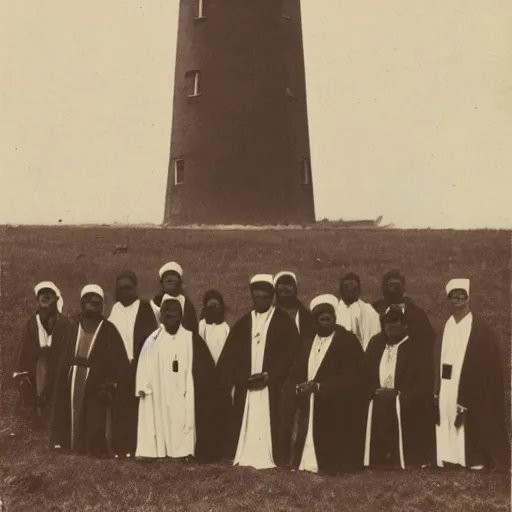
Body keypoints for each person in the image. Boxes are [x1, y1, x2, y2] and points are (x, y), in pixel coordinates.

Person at [217, 274, 301, 469]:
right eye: (257, 297)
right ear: (252, 297)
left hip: (273, 386)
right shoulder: (242, 324)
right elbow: (231, 357)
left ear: (272, 297)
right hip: (247, 385)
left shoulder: (284, 323)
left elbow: (292, 355)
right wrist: (242, 378)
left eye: (265, 297)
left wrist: (270, 375)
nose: (261, 301)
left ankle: (274, 456)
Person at [281, 294, 365, 475]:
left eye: (329, 318)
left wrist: (320, 387)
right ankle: (300, 460)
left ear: (335, 319)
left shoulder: (347, 341)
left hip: (336, 404)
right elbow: (295, 373)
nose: (326, 322)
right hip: (307, 404)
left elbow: (353, 376)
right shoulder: (307, 344)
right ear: (314, 322)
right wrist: (297, 386)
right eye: (321, 319)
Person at [435, 279, 510, 472]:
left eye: (462, 295)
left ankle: (474, 457)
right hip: (447, 381)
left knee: (469, 418)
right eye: (453, 296)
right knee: (447, 414)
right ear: (448, 300)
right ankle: (448, 456)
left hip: (470, 383)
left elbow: (488, 364)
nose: (458, 299)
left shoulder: (480, 329)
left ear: (468, 298)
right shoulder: (446, 326)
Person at [135, 295, 219, 462]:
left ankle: (184, 451)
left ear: (181, 315)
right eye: (165, 311)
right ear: (160, 315)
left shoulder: (191, 338)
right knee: (157, 417)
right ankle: (158, 450)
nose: (169, 315)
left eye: (173, 311)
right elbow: (143, 365)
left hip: (183, 392)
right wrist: (143, 386)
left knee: (183, 418)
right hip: (159, 391)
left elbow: (205, 370)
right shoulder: (152, 340)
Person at [50, 285, 129, 457]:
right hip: (72, 377)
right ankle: (67, 443)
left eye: (96, 299)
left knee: (93, 414)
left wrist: (110, 382)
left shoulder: (109, 329)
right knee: (69, 409)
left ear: (101, 304)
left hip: (96, 380)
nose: (91, 302)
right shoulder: (72, 327)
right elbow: (63, 355)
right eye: (87, 298)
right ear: (81, 302)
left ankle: (90, 446)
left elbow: (118, 361)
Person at [363, 306, 435, 470]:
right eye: (387, 324)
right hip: (377, 399)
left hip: (407, 402)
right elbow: (364, 374)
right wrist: (374, 391)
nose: (390, 327)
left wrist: (398, 394)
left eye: (395, 323)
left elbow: (423, 381)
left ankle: (405, 458)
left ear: (405, 325)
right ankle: (378, 459)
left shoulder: (416, 347)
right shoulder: (376, 344)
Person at [107, 270, 158, 458]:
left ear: (135, 288)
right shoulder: (115, 311)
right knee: (121, 408)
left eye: (128, 288)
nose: (125, 292)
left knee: (141, 407)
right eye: (121, 289)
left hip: (140, 365)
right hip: (121, 367)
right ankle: (122, 449)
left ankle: (141, 448)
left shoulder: (145, 308)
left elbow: (152, 338)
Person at [13, 281, 70, 424]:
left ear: (56, 298)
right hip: (37, 369)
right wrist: (22, 372)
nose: (45, 296)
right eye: (41, 294)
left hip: (58, 368)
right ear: (38, 299)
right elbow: (24, 348)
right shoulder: (32, 322)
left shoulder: (65, 323)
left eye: (49, 293)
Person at [372, 270, 436, 352]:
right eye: (390, 285)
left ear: (403, 288)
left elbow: (429, 338)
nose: (393, 290)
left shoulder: (416, 314)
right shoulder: (374, 310)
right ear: (384, 288)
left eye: (397, 286)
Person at [336, 272, 381, 351]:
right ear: (341, 291)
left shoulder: (369, 311)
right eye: (347, 288)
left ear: (359, 291)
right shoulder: (335, 310)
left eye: (354, 289)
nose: (350, 290)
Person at [150, 262, 198, 333]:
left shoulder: (186, 303)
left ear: (179, 283)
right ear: (162, 283)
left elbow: (192, 329)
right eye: (168, 281)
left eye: (174, 281)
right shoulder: (156, 302)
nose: (171, 282)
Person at [273, 271, 314, 339]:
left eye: (289, 284)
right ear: (275, 289)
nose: (285, 288)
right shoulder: (268, 313)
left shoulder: (305, 315)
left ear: (295, 289)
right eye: (282, 284)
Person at [198, 290, 230, 365]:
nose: (214, 309)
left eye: (216, 306)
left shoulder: (226, 327)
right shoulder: (201, 326)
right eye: (210, 307)